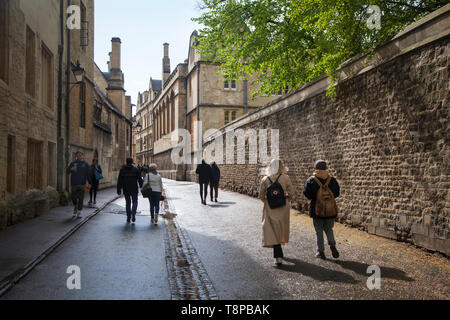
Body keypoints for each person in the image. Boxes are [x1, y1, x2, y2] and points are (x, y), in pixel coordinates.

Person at [259, 159, 293, 266]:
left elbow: (261, 196)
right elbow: (292, 192)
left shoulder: (265, 179)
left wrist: (268, 201)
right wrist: (286, 198)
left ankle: (277, 256)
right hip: (283, 207)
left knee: (272, 229)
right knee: (281, 227)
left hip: (270, 207)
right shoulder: (286, 178)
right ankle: (279, 253)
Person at [303, 160, 340, 259]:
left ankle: (321, 252)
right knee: (329, 229)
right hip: (330, 210)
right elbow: (337, 193)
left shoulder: (311, 180)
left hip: (317, 210)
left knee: (319, 231)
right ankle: (332, 245)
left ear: (316, 168)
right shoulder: (332, 180)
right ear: (325, 168)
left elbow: (307, 194)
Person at [67, 151, 92, 219]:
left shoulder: (85, 164)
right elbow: (67, 171)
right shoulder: (73, 163)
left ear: (82, 156)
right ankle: (76, 205)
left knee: (81, 198)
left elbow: (88, 174)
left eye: (80, 155)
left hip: (82, 184)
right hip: (74, 183)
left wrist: (90, 183)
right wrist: (70, 169)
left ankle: (79, 212)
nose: (79, 156)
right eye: (78, 155)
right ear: (76, 156)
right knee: (73, 197)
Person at [117, 158, 143, 223]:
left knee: (128, 203)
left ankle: (128, 217)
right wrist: (141, 186)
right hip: (134, 188)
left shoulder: (122, 170)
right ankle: (133, 212)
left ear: (126, 162)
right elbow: (139, 179)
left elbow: (119, 180)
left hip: (126, 188)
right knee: (135, 201)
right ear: (132, 162)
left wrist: (119, 189)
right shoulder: (136, 169)